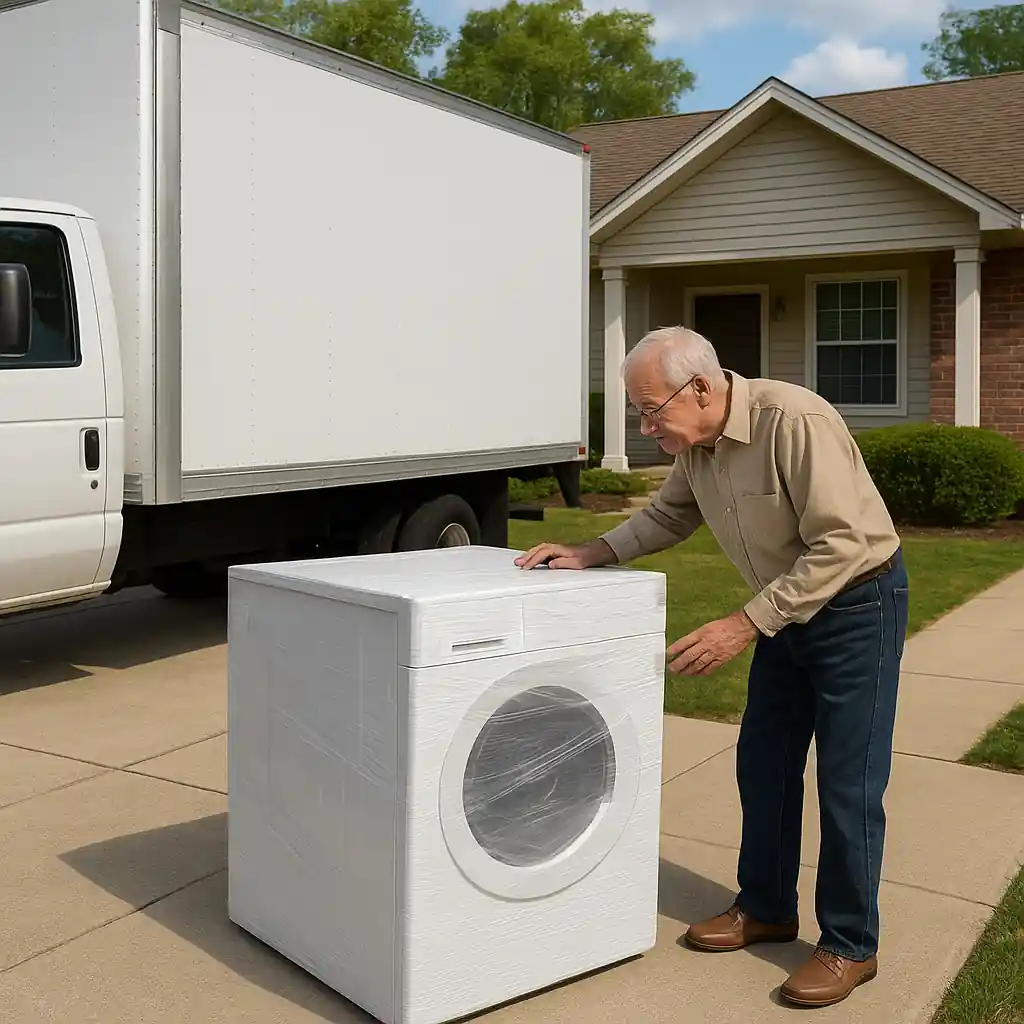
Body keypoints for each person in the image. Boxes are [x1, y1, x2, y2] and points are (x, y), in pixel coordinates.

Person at [515, 326, 908, 1009]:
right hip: (785, 613)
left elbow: (843, 543)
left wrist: (742, 624)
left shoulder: (795, 420)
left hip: (857, 606)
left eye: (650, 409)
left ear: (700, 386)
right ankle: (765, 907)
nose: (645, 424)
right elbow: (666, 517)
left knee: (848, 782)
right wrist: (589, 552)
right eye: (640, 412)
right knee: (763, 764)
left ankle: (851, 943)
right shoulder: (696, 446)